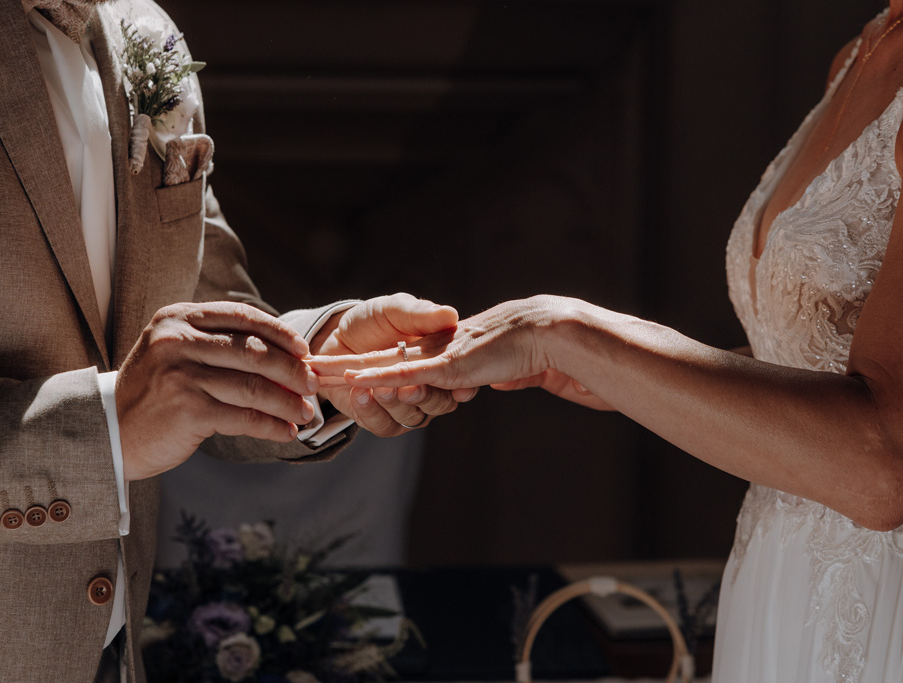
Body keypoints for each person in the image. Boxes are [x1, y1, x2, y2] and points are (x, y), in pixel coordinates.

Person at [0, 0, 473, 681]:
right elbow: (135, 402)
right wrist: (106, 430)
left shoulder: (144, 29)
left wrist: (323, 358)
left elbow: (201, 312)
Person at [314, 4, 903, 682]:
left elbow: (883, 463)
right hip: (783, 580)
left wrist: (565, 335)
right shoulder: (862, 53)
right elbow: (814, 360)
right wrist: (632, 370)